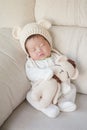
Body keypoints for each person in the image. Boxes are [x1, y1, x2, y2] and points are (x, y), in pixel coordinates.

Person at [12, 20, 79, 118]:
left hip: (62, 88)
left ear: (49, 44)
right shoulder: (31, 63)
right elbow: (31, 73)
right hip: (43, 89)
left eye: (42, 45)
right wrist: (44, 74)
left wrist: (67, 66)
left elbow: (65, 67)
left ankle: (64, 102)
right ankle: (46, 108)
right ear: (28, 53)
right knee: (32, 96)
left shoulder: (56, 56)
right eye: (33, 50)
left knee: (72, 88)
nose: (39, 50)